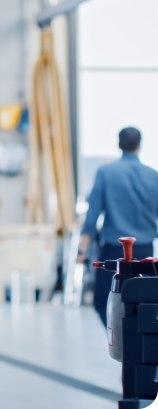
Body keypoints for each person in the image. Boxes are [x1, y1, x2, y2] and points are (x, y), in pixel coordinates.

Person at [78, 127, 158, 327]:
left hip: (114, 252)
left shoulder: (105, 172)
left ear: (118, 144)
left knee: (102, 300)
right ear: (139, 145)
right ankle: (137, 342)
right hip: (145, 251)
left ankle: (120, 340)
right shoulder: (153, 175)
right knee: (145, 302)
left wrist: (82, 249)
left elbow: (92, 214)